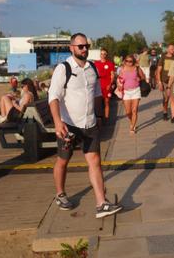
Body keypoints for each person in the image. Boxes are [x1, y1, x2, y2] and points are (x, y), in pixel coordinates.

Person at [48, 33, 122, 219]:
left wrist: (98, 115)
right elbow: (53, 97)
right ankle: (60, 193)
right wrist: (58, 122)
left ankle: (101, 203)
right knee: (63, 160)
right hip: (69, 125)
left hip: (89, 124)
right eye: (80, 46)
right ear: (71, 48)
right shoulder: (63, 69)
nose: (84, 49)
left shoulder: (91, 68)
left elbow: (97, 92)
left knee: (95, 161)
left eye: (86, 46)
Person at [117, 55, 145, 134]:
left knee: (134, 110)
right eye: (127, 61)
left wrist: (139, 78)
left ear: (133, 61)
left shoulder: (136, 68)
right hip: (126, 92)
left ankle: (132, 127)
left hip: (136, 91)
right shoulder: (122, 69)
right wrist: (119, 84)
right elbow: (119, 79)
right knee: (128, 112)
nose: (129, 63)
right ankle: (132, 121)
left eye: (130, 61)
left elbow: (143, 77)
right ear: (125, 61)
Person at [94, 48, 116, 124]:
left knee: (106, 102)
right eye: (101, 54)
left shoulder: (110, 64)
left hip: (107, 84)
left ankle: (106, 118)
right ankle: (100, 118)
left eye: (104, 54)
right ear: (100, 55)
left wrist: (110, 84)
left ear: (106, 55)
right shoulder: (96, 63)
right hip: (98, 85)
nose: (103, 55)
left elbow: (112, 76)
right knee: (98, 102)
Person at [156, 44, 174, 121]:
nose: (173, 50)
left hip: (173, 81)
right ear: (167, 49)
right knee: (166, 98)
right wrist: (159, 82)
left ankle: (173, 116)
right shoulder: (163, 58)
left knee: (173, 98)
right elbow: (158, 71)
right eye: (171, 48)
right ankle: (165, 112)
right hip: (164, 81)